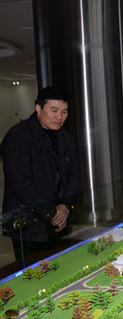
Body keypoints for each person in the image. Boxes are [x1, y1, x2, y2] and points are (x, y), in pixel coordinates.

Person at [1, 87, 82, 262]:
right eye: (54, 110)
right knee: (34, 272)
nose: (59, 117)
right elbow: (20, 184)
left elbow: (74, 174)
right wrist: (52, 213)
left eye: (64, 112)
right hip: (28, 224)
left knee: (63, 266)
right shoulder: (18, 137)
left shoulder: (65, 137)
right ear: (38, 108)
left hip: (60, 220)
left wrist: (66, 206)